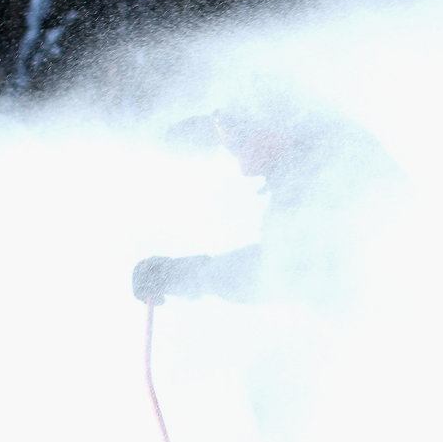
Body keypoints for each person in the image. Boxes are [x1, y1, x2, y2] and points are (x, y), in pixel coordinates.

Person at [132, 92, 403, 311]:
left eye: (237, 145)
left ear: (270, 133)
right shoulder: (311, 135)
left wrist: (179, 275)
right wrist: (206, 128)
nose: (240, 166)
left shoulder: (317, 182)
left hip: (376, 311)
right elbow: (252, 116)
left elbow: (275, 270)